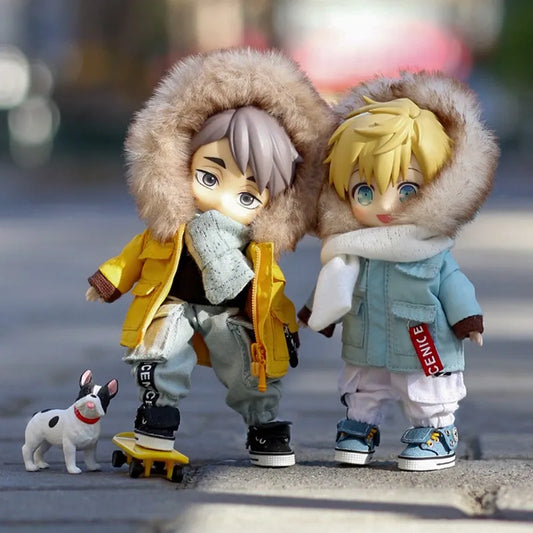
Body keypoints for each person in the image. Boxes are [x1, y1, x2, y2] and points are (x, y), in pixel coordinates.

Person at [86, 48, 334, 467]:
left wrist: (286, 324)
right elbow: (135, 255)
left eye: (247, 196)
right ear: (179, 165)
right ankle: (157, 414)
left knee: (248, 367)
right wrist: (109, 279)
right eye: (208, 176)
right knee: (161, 352)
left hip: (230, 313)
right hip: (175, 304)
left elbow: (270, 289)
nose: (222, 199)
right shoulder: (172, 230)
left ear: (275, 203)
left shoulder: (256, 245)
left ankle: (263, 422)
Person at [298, 72, 498, 471]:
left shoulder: (430, 248)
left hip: (422, 337)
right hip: (367, 338)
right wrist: (312, 313)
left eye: (408, 190)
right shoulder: (351, 249)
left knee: (426, 389)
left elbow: (452, 282)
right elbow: (335, 283)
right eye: (365, 191)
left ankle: (436, 430)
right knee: (364, 385)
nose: (385, 206)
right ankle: (361, 425)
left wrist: (467, 318)